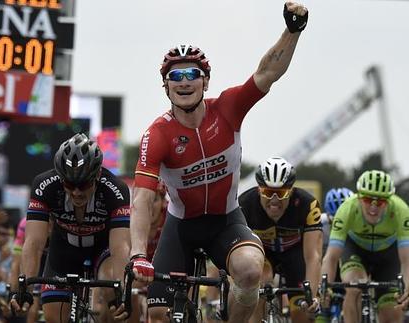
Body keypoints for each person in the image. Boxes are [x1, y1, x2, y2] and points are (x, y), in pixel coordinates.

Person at [128, 2, 309, 322]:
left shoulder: (227, 108)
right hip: (180, 228)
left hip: (227, 221)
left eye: (192, 74)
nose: (184, 82)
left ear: (206, 81)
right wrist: (139, 254)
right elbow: (142, 197)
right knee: (157, 314)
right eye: (176, 76)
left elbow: (267, 72)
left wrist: (292, 31)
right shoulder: (157, 134)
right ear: (166, 85)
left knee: (252, 271)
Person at [9, 133, 131, 323]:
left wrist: (122, 291)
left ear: (97, 175)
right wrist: (25, 288)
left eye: (83, 185)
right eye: (68, 184)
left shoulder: (115, 190)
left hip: (102, 249)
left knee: (112, 289)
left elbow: (120, 247)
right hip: (64, 250)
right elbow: (33, 243)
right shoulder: (44, 185)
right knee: (53, 317)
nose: (76, 192)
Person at [239, 157, 322, 322]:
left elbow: (313, 256)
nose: (274, 200)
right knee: (259, 285)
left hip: (295, 255)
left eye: (281, 193)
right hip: (263, 254)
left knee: (303, 313)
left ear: (290, 191)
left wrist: (312, 296)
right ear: (258, 190)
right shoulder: (245, 205)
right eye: (268, 192)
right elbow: (239, 253)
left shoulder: (308, 205)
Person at [321, 170, 409, 323]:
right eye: (368, 200)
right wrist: (324, 287)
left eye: (380, 202)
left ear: (389, 201)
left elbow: (407, 259)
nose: (373, 208)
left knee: (391, 311)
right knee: (355, 285)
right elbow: (331, 257)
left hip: (388, 256)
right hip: (355, 250)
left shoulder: (401, 210)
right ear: (359, 197)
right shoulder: (347, 208)